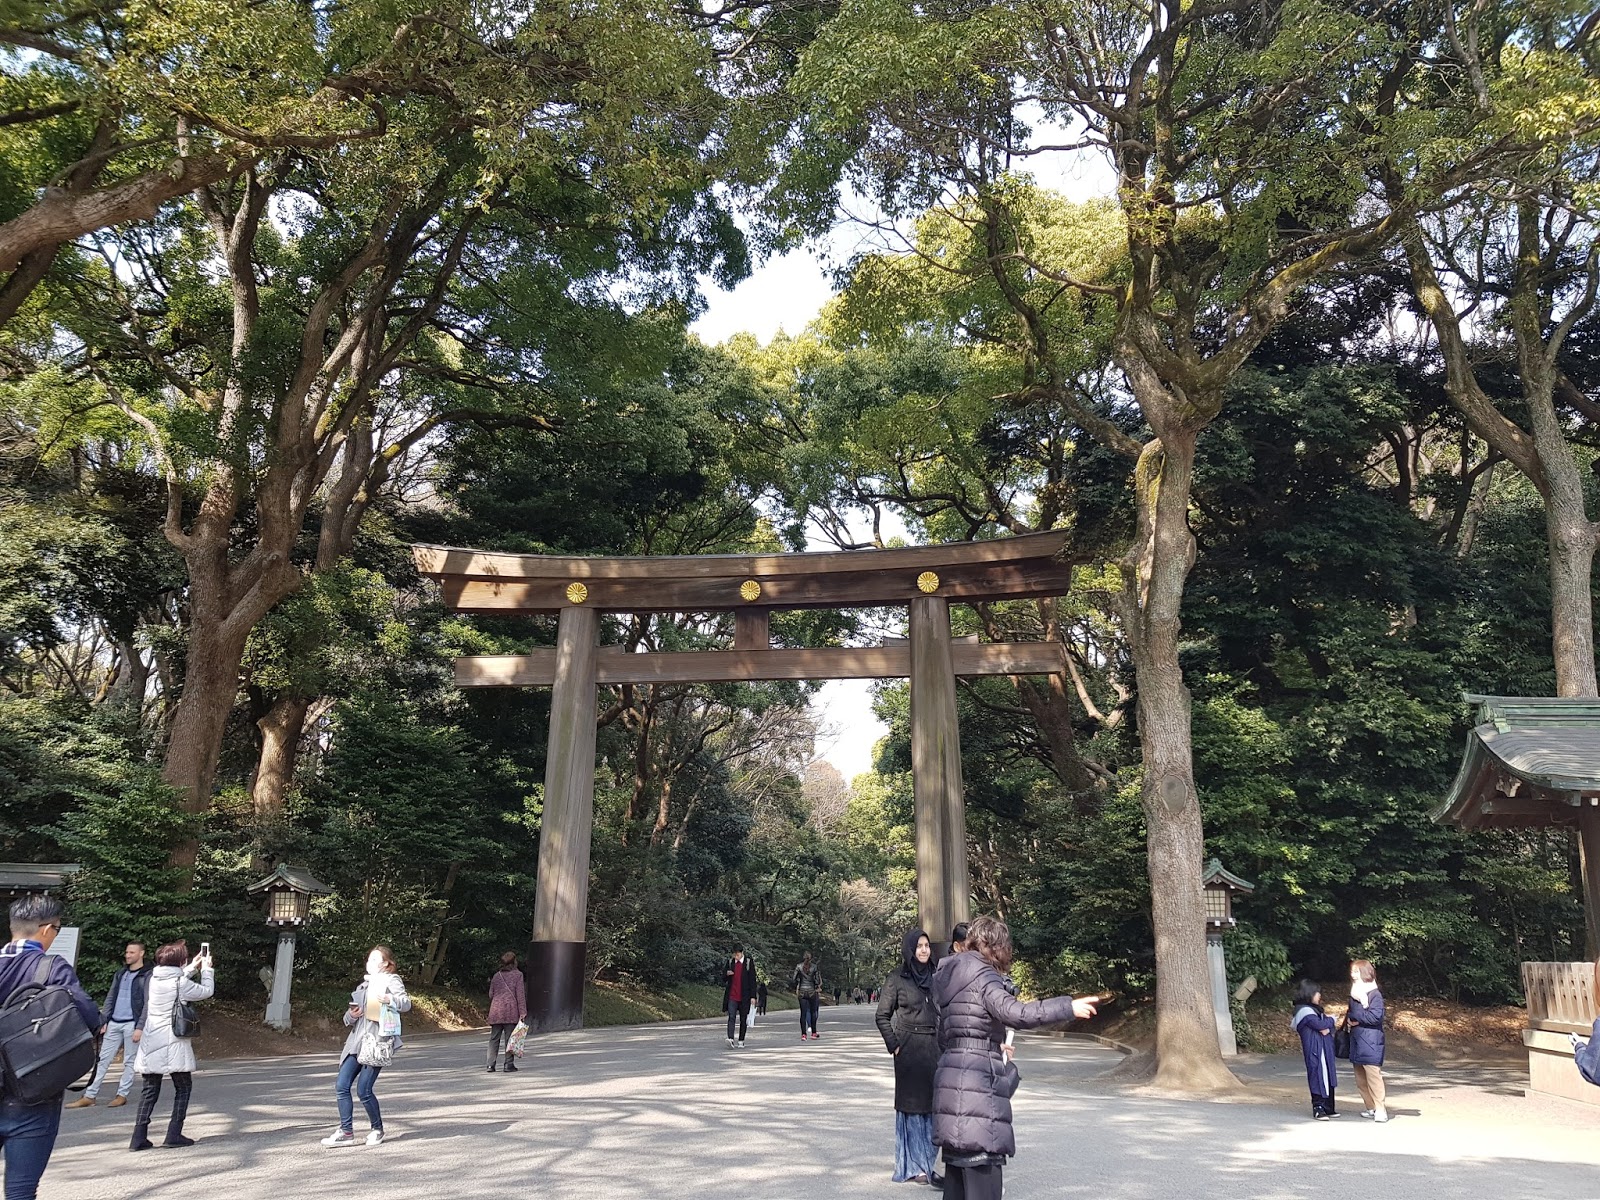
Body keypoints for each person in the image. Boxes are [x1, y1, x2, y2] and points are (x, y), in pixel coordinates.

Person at [931, 915, 1097, 1200]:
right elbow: (1016, 1013)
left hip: (950, 1082)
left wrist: (990, 1043)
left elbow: (947, 1036)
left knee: (957, 1183)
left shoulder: (950, 975)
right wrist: (1067, 1007)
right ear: (995, 946)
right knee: (984, 1181)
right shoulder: (983, 974)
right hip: (977, 1090)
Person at [0, 895, 99, 1199]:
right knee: (20, 1191)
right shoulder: (51, 967)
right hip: (33, 1089)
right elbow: (89, 1016)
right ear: (46, 929)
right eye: (57, 928)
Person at [129, 940, 214, 1151]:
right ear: (180, 961)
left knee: (149, 1089)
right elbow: (206, 991)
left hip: (151, 1039)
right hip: (173, 1041)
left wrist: (193, 966)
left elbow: (176, 978)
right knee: (183, 1087)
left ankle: (138, 1136)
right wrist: (207, 970)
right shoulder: (180, 984)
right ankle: (173, 1133)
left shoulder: (152, 978)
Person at [321, 946, 410, 1147]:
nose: (370, 963)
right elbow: (348, 1018)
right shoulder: (364, 985)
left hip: (377, 1042)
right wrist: (351, 1015)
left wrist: (390, 999)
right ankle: (346, 1131)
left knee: (364, 1090)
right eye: (369, 959)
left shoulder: (391, 980)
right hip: (356, 1042)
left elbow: (406, 1003)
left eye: (375, 960)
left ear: (385, 963)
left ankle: (377, 1129)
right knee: (342, 1085)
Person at [876, 930, 941, 1185]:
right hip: (908, 1050)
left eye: (927, 946)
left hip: (934, 1048)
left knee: (934, 1106)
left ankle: (928, 1161)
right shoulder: (897, 978)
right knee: (913, 1108)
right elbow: (882, 1015)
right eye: (919, 946)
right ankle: (916, 1166)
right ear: (910, 949)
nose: (924, 950)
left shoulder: (937, 976)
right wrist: (894, 1045)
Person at [67, 942, 151, 1110]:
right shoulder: (121, 973)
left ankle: (122, 1095)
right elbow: (111, 997)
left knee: (129, 1061)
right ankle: (90, 1095)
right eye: (127, 952)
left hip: (132, 1024)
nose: (127, 955)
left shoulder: (147, 976)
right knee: (103, 1060)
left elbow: (148, 1002)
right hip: (114, 1022)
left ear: (141, 954)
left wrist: (140, 1026)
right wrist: (103, 1020)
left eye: (132, 952)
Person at [1290, 979, 1339, 1120]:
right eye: (1317, 993)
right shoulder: (1304, 1011)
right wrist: (1331, 1021)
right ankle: (1318, 1107)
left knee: (1328, 1075)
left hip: (1324, 1047)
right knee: (1317, 1075)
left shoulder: (1314, 1010)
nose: (1319, 995)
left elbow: (1325, 1027)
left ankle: (1329, 1107)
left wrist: (1327, 1026)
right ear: (1309, 993)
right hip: (1315, 1049)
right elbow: (1320, 1025)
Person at [1347, 959, 1387, 1123]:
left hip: (1371, 1040)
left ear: (1365, 973)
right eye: (1352, 971)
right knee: (1360, 1078)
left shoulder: (1374, 994)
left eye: (1356, 972)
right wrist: (1350, 1020)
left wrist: (1356, 1018)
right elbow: (1351, 1013)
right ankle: (1370, 1107)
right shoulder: (1354, 993)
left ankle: (1381, 1109)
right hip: (1357, 1039)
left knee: (1373, 1077)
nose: (1353, 975)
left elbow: (1376, 1017)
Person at [486, 951, 526, 1074]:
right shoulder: (518, 975)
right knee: (510, 1038)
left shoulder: (496, 976)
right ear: (514, 962)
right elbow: (520, 995)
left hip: (496, 1010)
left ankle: (490, 1065)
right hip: (510, 1010)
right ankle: (508, 1064)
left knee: (494, 1038)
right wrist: (523, 1012)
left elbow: (491, 994)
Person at [722, 948, 757, 1049]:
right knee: (731, 1017)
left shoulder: (748, 963)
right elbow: (723, 977)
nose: (735, 957)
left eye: (737, 954)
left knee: (743, 1018)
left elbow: (752, 980)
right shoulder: (730, 962)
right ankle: (730, 1039)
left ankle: (741, 1040)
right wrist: (727, 974)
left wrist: (753, 996)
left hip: (744, 996)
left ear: (742, 953)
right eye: (734, 954)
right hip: (732, 995)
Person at [791, 951, 822, 1040]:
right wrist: (815, 985)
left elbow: (794, 979)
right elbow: (817, 981)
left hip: (802, 992)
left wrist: (798, 983)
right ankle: (813, 1033)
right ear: (811, 958)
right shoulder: (814, 967)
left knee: (803, 1013)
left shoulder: (798, 966)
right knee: (813, 1012)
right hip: (812, 991)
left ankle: (803, 1034)